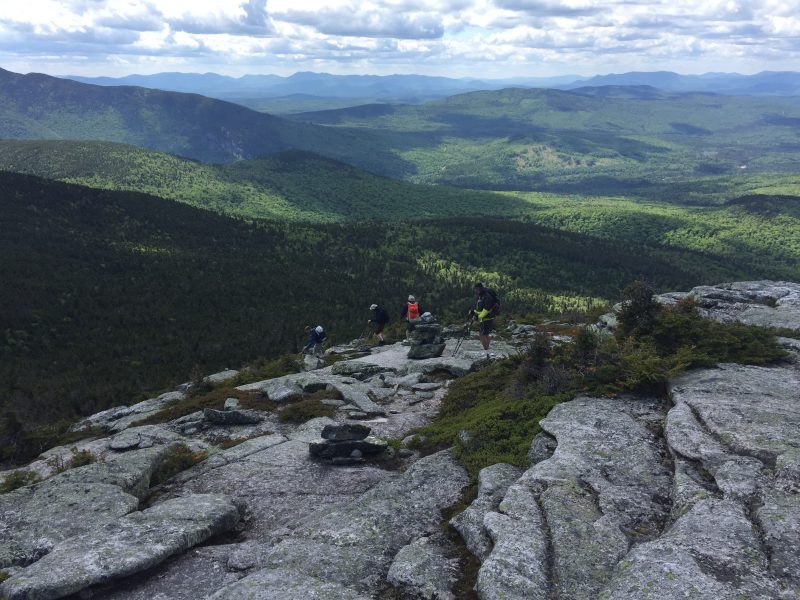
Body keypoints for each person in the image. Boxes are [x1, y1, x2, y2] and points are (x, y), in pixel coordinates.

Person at [469, 283, 500, 358]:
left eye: (477, 289)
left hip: (487, 318)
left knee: (481, 335)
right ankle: (487, 351)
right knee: (485, 334)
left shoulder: (486, 296)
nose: (476, 291)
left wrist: (477, 317)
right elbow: (480, 309)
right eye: (475, 289)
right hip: (487, 317)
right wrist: (474, 313)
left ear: (480, 288)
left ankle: (486, 352)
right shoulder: (481, 296)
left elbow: (486, 310)